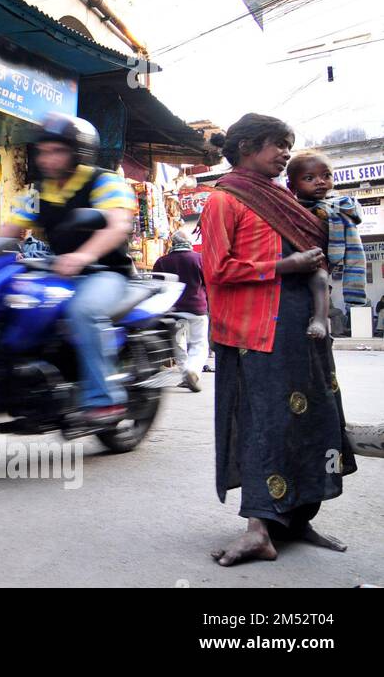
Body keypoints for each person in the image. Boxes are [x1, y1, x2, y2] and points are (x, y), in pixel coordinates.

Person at [201, 113, 356, 567]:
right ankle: (258, 530)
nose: (286, 153)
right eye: (277, 144)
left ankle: (296, 519)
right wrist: (284, 267)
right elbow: (217, 270)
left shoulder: (288, 198)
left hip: (302, 327)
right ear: (247, 146)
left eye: (289, 144)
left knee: (311, 422)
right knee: (263, 426)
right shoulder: (223, 201)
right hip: (254, 332)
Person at [0, 113, 137, 425]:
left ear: (78, 152)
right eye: (43, 151)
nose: (47, 159)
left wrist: (82, 256)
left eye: (56, 151)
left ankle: (104, 399)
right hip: (59, 272)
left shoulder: (104, 181)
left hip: (106, 272)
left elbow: (117, 226)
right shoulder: (38, 192)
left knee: (82, 311)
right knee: (14, 306)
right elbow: (6, 231)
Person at [285, 151, 367, 338]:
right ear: (291, 185)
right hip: (291, 264)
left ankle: (320, 319)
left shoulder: (339, 210)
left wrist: (356, 298)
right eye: (309, 178)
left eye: (326, 175)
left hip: (317, 261)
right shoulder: (288, 209)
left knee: (320, 278)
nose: (320, 181)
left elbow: (356, 255)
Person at [152, 229, 208, 391]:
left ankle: (186, 375)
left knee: (179, 343)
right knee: (199, 343)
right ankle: (193, 370)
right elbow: (208, 284)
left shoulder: (162, 261)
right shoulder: (199, 259)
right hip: (197, 308)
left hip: (173, 310)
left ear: (173, 243)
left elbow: (157, 287)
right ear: (189, 242)